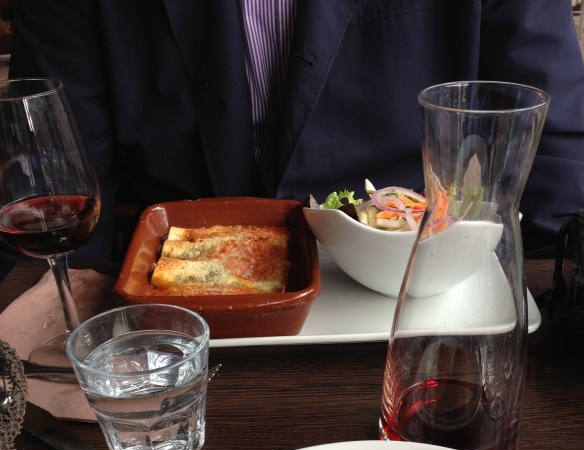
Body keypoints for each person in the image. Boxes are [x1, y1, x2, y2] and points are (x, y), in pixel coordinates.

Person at [6, 0, 584, 271]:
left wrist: (533, 302)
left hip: (413, 286)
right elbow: (55, 172)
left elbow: (552, 144)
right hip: (174, 303)